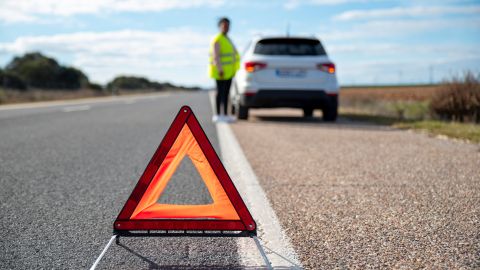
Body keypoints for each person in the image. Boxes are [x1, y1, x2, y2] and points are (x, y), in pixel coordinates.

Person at [209, 17, 240, 122]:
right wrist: (220, 69)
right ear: (220, 26)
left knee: (226, 93)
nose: (226, 27)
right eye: (224, 25)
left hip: (229, 72)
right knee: (220, 92)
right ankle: (218, 115)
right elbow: (215, 56)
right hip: (221, 72)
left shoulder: (228, 39)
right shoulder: (218, 39)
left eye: (228, 25)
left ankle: (225, 115)